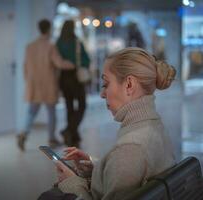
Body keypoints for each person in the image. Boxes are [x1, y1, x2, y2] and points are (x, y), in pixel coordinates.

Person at [54, 47, 176, 200]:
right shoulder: (153, 127)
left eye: (106, 84)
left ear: (129, 85)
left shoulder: (130, 149)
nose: (102, 94)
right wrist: (97, 167)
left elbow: (129, 159)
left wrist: (72, 184)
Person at [17, 19, 74, 151]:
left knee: (31, 112)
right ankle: (52, 138)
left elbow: (25, 67)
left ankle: (23, 133)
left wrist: (28, 81)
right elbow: (59, 63)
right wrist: (72, 64)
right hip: (48, 84)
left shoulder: (30, 46)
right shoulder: (50, 46)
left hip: (34, 84)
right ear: (49, 29)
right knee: (51, 113)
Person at [56, 20, 90, 147]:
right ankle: (70, 130)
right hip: (76, 77)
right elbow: (86, 59)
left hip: (63, 78)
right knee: (82, 105)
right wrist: (80, 64)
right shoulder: (76, 42)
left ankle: (73, 133)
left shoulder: (58, 43)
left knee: (69, 106)